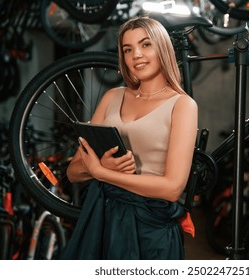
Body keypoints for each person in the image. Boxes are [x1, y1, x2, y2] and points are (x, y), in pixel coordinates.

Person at [60, 16, 198, 260]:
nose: (136, 55)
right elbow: (72, 172)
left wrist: (102, 173)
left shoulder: (182, 104)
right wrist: (100, 165)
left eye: (145, 45)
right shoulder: (112, 96)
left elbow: (172, 189)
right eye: (127, 49)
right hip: (102, 219)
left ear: (162, 48)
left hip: (150, 228)